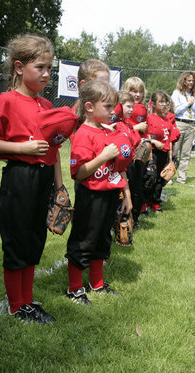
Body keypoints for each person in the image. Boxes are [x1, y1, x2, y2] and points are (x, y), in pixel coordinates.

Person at [0, 34, 60, 324]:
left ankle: (27, 300)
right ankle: (17, 305)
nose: (46, 74)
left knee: (34, 239)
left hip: (43, 178)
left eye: (49, 68)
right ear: (18, 67)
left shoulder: (47, 106)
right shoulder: (6, 101)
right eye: (40, 67)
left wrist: (59, 185)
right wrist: (21, 148)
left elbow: (55, 149)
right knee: (17, 239)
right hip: (19, 177)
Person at [65, 80, 132, 305]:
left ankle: (97, 283)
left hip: (109, 194)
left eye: (113, 107)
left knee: (103, 239)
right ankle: (74, 288)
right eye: (108, 107)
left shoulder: (107, 131)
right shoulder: (84, 134)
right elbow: (79, 172)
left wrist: (126, 194)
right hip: (91, 197)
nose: (113, 112)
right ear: (90, 107)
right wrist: (102, 156)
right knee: (84, 240)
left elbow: (118, 168)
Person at [145, 90, 180, 211]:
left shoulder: (167, 120)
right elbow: (147, 136)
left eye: (165, 102)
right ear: (153, 104)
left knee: (161, 179)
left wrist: (170, 159)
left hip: (164, 153)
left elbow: (169, 140)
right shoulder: (149, 118)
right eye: (161, 102)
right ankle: (145, 202)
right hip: (152, 152)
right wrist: (149, 157)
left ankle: (155, 202)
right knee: (150, 177)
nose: (164, 104)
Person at [115, 91, 143, 227]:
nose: (131, 110)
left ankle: (132, 220)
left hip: (131, 164)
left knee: (136, 192)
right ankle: (119, 223)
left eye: (133, 107)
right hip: (121, 167)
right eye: (128, 106)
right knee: (122, 196)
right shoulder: (115, 124)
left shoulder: (128, 124)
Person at [171, 71, 195, 184]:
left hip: (190, 124)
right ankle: (169, 176)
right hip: (179, 123)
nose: (191, 83)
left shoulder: (193, 96)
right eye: (189, 80)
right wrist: (187, 104)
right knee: (174, 151)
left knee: (186, 153)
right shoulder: (177, 94)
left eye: (192, 80)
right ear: (184, 81)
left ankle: (182, 177)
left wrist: (191, 101)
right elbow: (174, 110)